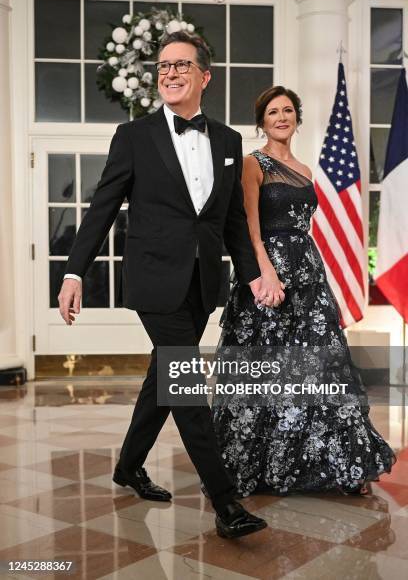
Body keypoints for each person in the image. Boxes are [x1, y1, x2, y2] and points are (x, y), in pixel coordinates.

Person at [58, 30, 272, 539]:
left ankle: (128, 465)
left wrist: (254, 276)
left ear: (204, 76)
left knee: (164, 379)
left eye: (181, 65)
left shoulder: (226, 140)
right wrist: (73, 271)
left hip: (202, 283)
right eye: (163, 66)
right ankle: (225, 504)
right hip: (155, 281)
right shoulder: (134, 136)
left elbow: (233, 224)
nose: (170, 73)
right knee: (187, 385)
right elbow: (103, 207)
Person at [212, 85, 396, 497]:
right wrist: (266, 273)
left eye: (288, 110)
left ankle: (334, 465)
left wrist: (299, 272)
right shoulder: (251, 164)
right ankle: (260, 465)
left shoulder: (307, 170)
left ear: (296, 118)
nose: (282, 117)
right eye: (273, 111)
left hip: (308, 273)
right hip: (268, 270)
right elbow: (248, 228)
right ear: (261, 121)